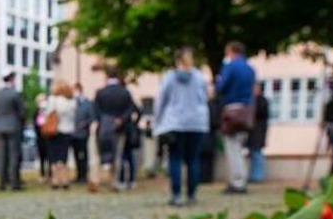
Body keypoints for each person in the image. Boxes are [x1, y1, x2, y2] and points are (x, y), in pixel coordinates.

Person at [153, 47, 210, 206]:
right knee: (193, 159)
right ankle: (191, 194)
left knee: (175, 159)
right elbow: (204, 98)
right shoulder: (199, 77)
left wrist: (158, 123)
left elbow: (161, 101)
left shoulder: (169, 78)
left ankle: (176, 195)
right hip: (196, 123)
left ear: (177, 60)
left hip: (175, 122)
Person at [216, 41, 256, 194]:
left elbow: (221, 86)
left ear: (231, 51)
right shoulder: (250, 68)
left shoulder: (230, 66)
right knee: (239, 146)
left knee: (232, 147)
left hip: (232, 108)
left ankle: (237, 181)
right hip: (246, 109)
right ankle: (241, 179)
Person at [93, 67, 139, 192]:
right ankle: (115, 181)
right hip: (120, 128)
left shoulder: (101, 92)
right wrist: (121, 120)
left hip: (103, 127)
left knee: (100, 154)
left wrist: (104, 119)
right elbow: (130, 109)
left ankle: (96, 179)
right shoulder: (124, 92)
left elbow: (96, 110)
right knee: (117, 155)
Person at [0, 72, 25, 190]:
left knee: (2, 156)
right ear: (12, 80)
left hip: (1, 127)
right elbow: (21, 113)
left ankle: (1, 182)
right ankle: (14, 182)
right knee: (13, 156)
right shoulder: (15, 94)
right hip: (13, 127)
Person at [43, 81, 77, 189]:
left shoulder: (53, 100)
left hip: (54, 130)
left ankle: (55, 180)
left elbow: (48, 112)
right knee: (63, 156)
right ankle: (65, 179)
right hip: (67, 131)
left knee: (53, 155)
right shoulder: (72, 102)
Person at [72, 83, 94, 183]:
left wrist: (85, 124)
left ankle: (84, 175)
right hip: (73, 133)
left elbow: (91, 117)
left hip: (83, 133)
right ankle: (79, 174)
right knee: (76, 155)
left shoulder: (87, 103)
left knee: (83, 155)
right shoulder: (72, 102)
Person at [248, 82, 269, 183]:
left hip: (258, 132)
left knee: (257, 154)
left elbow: (259, 113)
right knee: (253, 154)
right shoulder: (255, 100)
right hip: (254, 133)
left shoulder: (261, 101)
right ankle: (254, 175)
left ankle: (257, 176)